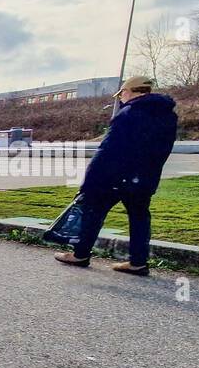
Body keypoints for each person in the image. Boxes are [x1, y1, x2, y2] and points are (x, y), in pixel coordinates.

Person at [55, 75, 178, 275]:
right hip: (144, 177)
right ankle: (138, 262)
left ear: (129, 92)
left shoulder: (128, 113)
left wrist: (90, 180)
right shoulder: (168, 116)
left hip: (114, 177)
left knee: (94, 213)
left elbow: (108, 150)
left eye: (121, 93)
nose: (120, 98)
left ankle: (80, 254)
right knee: (139, 218)